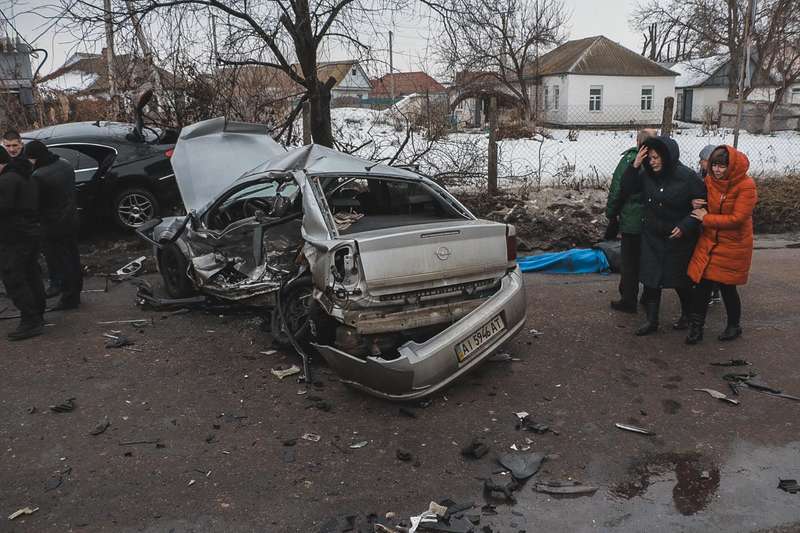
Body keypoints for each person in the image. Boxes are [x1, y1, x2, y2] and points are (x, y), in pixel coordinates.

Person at [620, 135, 706, 336]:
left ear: (668, 157)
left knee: (680, 281)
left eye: (657, 157)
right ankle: (652, 320)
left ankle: (687, 314)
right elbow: (627, 189)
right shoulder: (646, 174)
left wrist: (685, 225)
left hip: (678, 238)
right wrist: (635, 165)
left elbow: (703, 205)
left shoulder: (687, 177)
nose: (653, 162)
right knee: (651, 279)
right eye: (650, 158)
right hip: (652, 235)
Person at [685, 145, 757, 344]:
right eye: (714, 165)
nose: (717, 170)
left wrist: (706, 218)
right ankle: (696, 328)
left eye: (722, 166)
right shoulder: (710, 181)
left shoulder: (746, 185)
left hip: (733, 244)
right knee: (702, 284)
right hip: (710, 241)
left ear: (731, 167)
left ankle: (734, 325)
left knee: (727, 287)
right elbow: (706, 204)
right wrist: (697, 204)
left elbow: (738, 219)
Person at [25, 140, 83, 310]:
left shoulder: (39, 175)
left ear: (34, 157)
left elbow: (36, 204)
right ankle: (75, 293)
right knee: (73, 258)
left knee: (61, 262)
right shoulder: (64, 164)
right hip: (71, 219)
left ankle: (68, 298)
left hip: (53, 225)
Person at [606, 129, 657, 313]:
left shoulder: (629, 160)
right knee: (651, 259)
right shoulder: (659, 160)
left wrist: (611, 213)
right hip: (652, 220)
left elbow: (617, 189)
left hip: (631, 220)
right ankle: (649, 297)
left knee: (629, 262)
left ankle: (628, 299)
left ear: (637, 141)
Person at [0, 146, 46, 340]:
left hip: (14, 237)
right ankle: (37, 314)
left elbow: (4, 208)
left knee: (14, 278)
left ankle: (30, 320)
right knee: (31, 273)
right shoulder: (25, 174)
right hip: (30, 232)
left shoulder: (7, 180)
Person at [698, 144, 722, 305]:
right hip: (704, 223)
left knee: (712, 259)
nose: (700, 163)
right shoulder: (701, 176)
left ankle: (714, 291)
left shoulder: (716, 181)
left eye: (704, 160)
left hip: (712, 224)